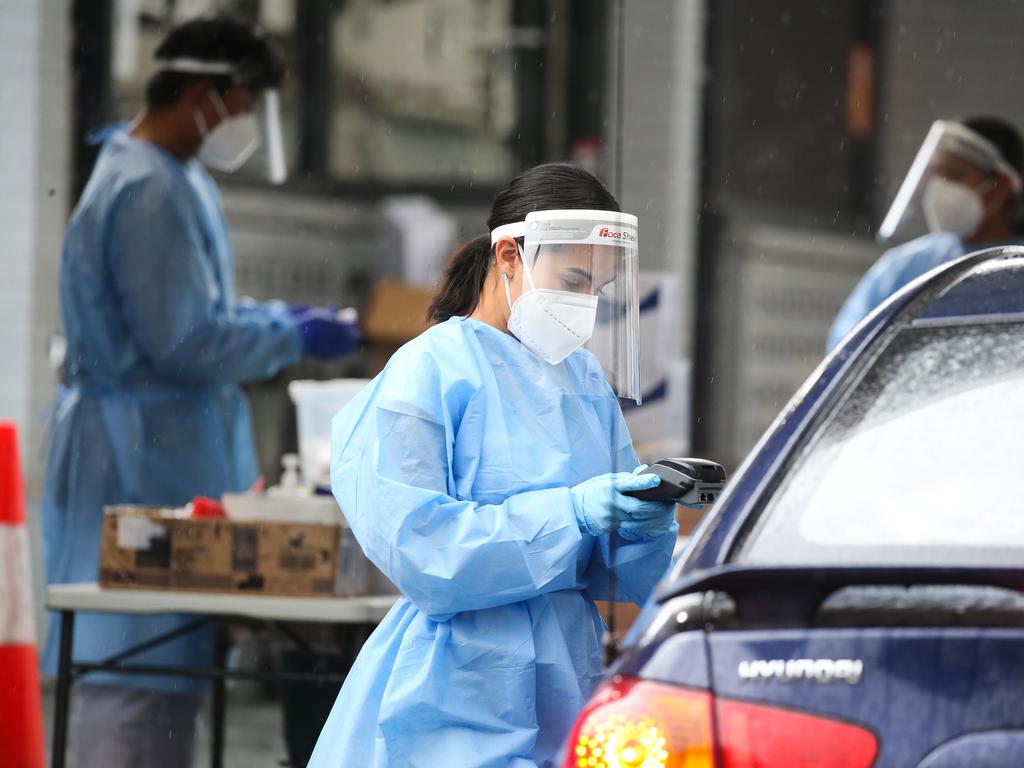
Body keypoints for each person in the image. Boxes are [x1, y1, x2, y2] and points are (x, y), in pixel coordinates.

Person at [42, 14, 358, 768]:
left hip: (166, 451)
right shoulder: (144, 188)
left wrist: (276, 320)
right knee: (133, 662)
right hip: (134, 456)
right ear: (202, 95)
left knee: (169, 668)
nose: (246, 125)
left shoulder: (175, 177)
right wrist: (289, 336)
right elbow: (183, 342)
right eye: (243, 105)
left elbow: (203, 317)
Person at [309, 163, 680, 768]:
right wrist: (573, 512)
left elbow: (612, 573)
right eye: (574, 280)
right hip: (458, 684)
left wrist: (642, 523)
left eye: (597, 289)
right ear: (509, 254)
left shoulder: (583, 379)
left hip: (565, 675)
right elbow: (424, 553)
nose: (584, 304)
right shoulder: (428, 370)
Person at [828, 116, 1024, 351]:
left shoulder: (1017, 265)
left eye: (955, 174)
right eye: (937, 173)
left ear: (1000, 187)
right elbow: (848, 350)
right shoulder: (902, 269)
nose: (940, 186)